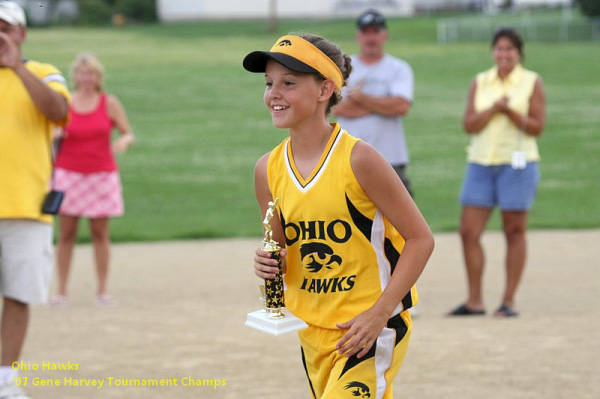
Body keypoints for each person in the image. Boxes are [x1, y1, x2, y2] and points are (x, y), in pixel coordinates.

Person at [244, 33, 434, 399]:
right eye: (269, 83)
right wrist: (269, 263)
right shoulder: (267, 169)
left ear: (324, 90)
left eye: (289, 83)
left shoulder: (359, 159)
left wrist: (380, 313)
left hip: (369, 328)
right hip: (311, 330)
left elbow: (420, 239)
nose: (274, 94)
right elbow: (281, 250)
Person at [448, 28, 546, 318]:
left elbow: (537, 126)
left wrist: (511, 113)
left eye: (509, 49)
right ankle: (475, 300)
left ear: (519, 53)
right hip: (480, 162)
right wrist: (494, 109)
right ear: (493, 52)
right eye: (499, 49)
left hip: (518, 164)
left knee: (513, 230)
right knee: (468, 231)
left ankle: (508, 300)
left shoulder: (531, 82)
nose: (504, 55)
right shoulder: (481, 81)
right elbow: (469, 124)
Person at [0, 1, 71, 398]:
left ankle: (5, 379)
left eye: (4, 28)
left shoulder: (43, 72)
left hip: (25, 206)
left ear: (21, 33)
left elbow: (59, 112)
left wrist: (17, 66)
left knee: (18, 293)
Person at [48, 53, 134, 308]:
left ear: (98, 77)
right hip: (68, 174)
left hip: (101, 174)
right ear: (75, 76)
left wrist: (123, 141)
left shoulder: (109, 103)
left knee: (99, 233)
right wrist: (54, 135)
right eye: (82, 73)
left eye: (91, 73)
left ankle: (102, 291)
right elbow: (50, 134)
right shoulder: (65, 102)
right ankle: (61, 291)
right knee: (66, 233)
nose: (86, 78)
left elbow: (127, 133)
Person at [334, 9, 415, 196]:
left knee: (399, 221)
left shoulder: (398, 68)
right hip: (346, 158)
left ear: (384, 35)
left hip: (390, 157)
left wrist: (360, 99)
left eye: (375, 32)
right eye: (366, 32)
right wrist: (382, 105)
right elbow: (334, 108)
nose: (371, 38)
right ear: (358, 36)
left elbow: (400, 106)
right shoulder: (343, 68)